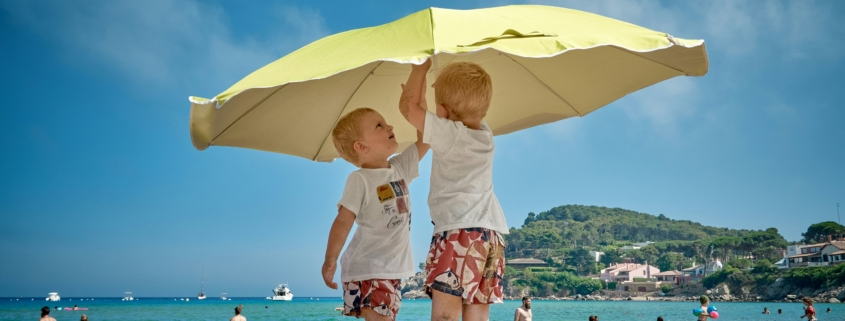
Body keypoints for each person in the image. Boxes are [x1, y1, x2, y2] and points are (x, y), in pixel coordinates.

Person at [399, 59, 508, 321]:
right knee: (478, 314)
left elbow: (408, 107)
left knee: (445, 316)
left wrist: (419, 70)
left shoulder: (449, 134)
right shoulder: (485, 134)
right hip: (491, 237)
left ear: (442, 111)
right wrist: (437, 108)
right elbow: (436, 119)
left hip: (459, 232)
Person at [322, 107, 429, 321]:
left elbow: (426, 137)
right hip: (369, 267)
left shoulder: (399, 168)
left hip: (391, 269)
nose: (389, 126)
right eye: (379, 126)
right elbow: (343, 220)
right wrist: (330, 259)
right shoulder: (360, 179)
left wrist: (419, 103)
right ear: (361, 147)